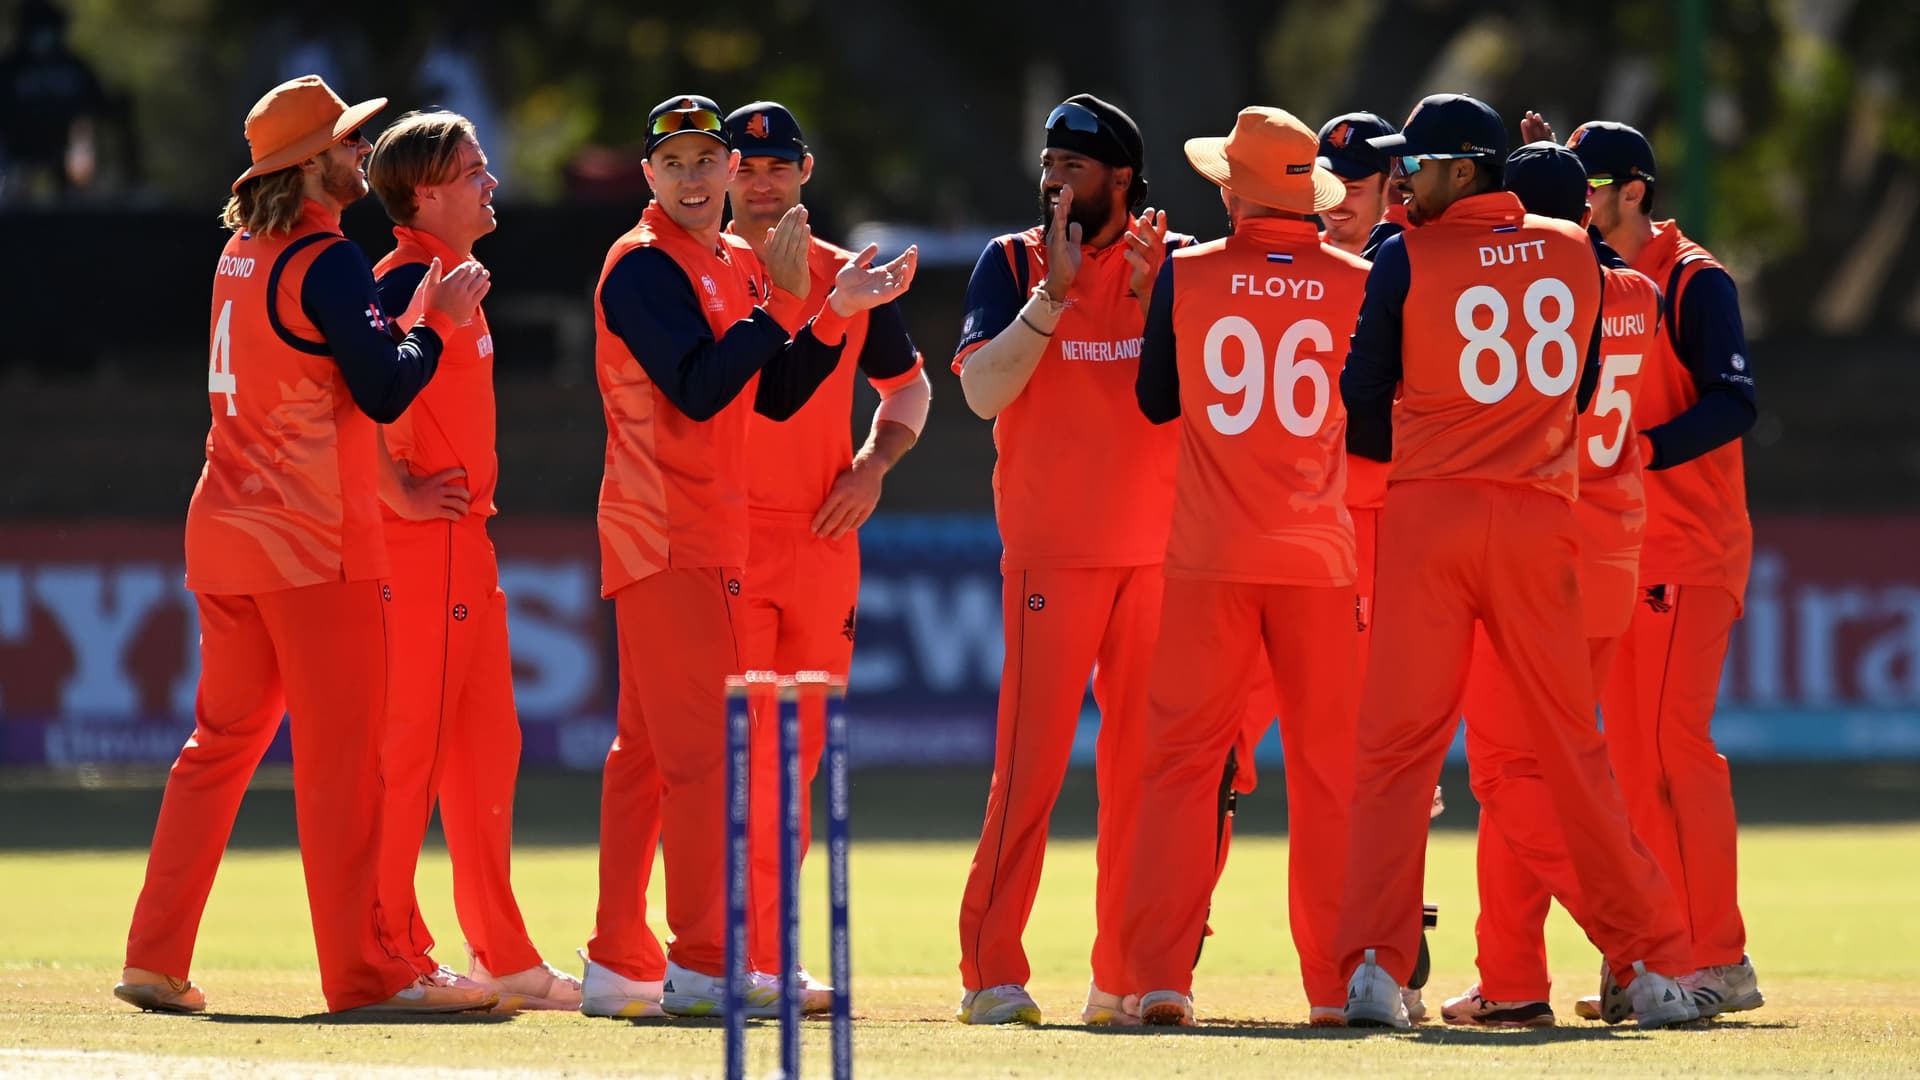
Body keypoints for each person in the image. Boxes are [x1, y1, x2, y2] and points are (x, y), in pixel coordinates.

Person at [115, 75, 494, 1016]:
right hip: (312, 546)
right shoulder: (324, 259)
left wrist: (404, 327)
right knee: (345, 766)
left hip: (228, 532)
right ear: (308, 164)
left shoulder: (240, 251)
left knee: (218, 746)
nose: (359, 152)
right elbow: (384, 390)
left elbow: (326, 371)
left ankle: (153, 959)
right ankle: (365, 974)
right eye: (345, 144)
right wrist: (437, 322)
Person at [1334, 92, 1696, 1031]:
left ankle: (1375, 968)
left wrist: (1425, 440)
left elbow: (1361, 397)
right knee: (1572, 753)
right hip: (1541, 519)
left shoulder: (1406, 255)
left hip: (1430, 517)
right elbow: (1573, 390)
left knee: (1396, 751)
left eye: (1417, 164)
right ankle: (1649, 966)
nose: (1404, 178)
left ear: (1465, 169)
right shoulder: (1578, 253)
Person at [581, 93, 916, 1020]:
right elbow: (697, 389)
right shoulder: (644, 265)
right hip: (673, 534)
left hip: (695, 534)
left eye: (706, 160)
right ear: (649, 176)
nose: (695, 177)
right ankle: (704, 961)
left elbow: (770, 397)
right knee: (707, 764)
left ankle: (621, 964)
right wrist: (783, 317)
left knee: (656, 752)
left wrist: (834, 309)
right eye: (675, 163)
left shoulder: (726, 261)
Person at [1119, 106, 1366, 1027]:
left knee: (1182, 769)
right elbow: (1376, 417)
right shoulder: (1359, 280)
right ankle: (1339, 987)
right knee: (1331, 776)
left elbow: (1155, 405)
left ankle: (1159, 979)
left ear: (1232, 190)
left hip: (1209, 556)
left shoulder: (1186, 276)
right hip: (1319, 558)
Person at [951, 93, 1183, 1027]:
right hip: (1052, 555)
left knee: (1147, 779)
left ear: (1121, 180)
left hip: (1160, 557)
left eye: (1074, 167)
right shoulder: (1010, 262)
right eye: (1048, 163)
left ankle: (1132, 975)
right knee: (1030, 771)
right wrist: (1054, 291)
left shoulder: (1171, 266)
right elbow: (980, 393)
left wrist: (1152, 299)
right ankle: (991, 972)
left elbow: (1194, 403)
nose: (1053, 180)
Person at [1439, 141, 1664, 1027]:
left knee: (1504, 776)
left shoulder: (1541, 292)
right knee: (1554, 772)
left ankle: (1644, 940)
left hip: (1544, 555)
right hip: (1615, 555)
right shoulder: (1638, 291)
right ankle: (1513, 978)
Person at [365, 110, 583, 1012]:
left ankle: (502, 954)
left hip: (466, 543)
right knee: (410, 754)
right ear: (423, 192)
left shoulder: (449, 278)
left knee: (487, 751)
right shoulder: (407, 279)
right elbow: (360, 405)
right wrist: (398, 495)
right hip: (425, 547)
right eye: (472, 170)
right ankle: (390, 951)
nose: (491, 182)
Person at [720, 101, 931, 1012]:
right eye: (747, 167)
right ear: (724, 176)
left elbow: (910, 387)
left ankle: (771, 953)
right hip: (721, 537)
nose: (762, 183)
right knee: (727, 755)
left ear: (805, 173)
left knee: (796, 759)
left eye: (778, 167)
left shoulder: (849, 275)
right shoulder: (702, 271)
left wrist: (873, 466)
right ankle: (709, 950)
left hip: (817, 542)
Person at [1553, 117, 1765, 1020]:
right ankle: (1663, 954)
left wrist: (1643, 449)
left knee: (1677, 751)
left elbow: (1735, 402)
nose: (1584, 206)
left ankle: (1720, 956)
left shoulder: (1695, 280)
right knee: (1632, 762)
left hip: (1691, 546)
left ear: (1635, 191)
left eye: (1593, 189)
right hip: (1629, 550)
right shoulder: (1597, 280)